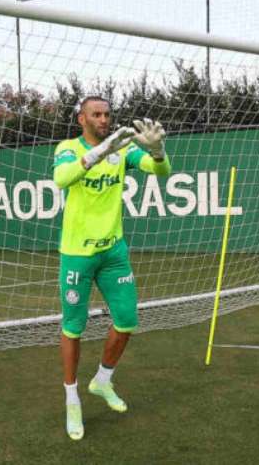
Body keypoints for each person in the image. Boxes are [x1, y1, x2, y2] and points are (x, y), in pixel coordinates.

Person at [52, 95, 171, 440]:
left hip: (113, 252)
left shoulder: (122, 148)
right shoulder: (68, 148)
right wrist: (98, 154)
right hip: (77, 253)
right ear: (82, 119)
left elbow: (162, 171)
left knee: (127, 319)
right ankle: (72, 399)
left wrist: (158, 151)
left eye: (107, 114)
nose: (104, 119)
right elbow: (62, 178)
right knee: (73, 327)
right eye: (96, 114)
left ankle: (102, 381)